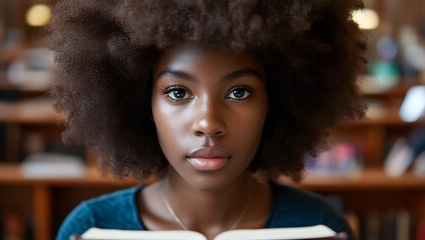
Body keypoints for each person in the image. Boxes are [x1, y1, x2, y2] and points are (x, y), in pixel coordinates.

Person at [46, 0, 366, 240]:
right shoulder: (90, 227)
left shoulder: (319, 224)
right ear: (143, 104)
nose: (208, 123)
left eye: (239, 92)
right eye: (177, 92)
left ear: (276, 101)